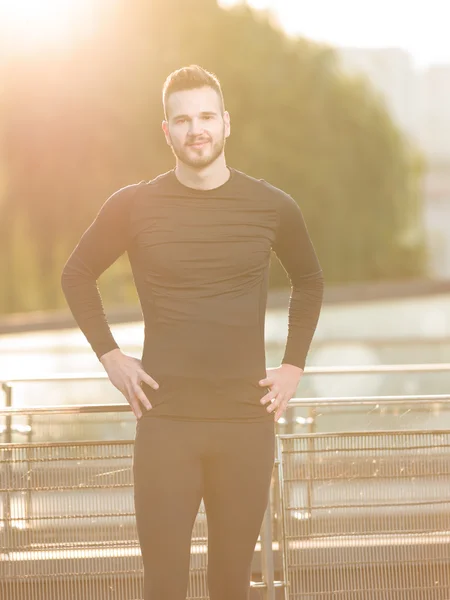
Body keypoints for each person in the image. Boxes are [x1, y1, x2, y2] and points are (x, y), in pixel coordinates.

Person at [61, 64, 324, 600]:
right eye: (182, 120)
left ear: (227, 123)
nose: (195, 129)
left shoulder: (271, 206)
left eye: (206, 116)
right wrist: (110, 356)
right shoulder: (133, 205)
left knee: (230, 587)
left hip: (245, 427)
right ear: (167, 131)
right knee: (163, 589)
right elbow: (77, 274)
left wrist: (294, 366)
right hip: (166, 427)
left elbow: (310, 280)